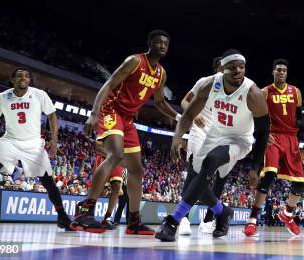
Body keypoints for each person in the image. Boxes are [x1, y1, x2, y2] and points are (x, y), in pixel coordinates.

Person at [73, 30, 181, 234]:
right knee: (115, 155)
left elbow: (159, 102)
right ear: (149, 44)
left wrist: (179, 118)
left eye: (165, 44)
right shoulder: (134, 61)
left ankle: (133, 221)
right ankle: (85, 212)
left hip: (129, 120)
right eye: (158, 42)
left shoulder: (161, 73)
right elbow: (109, 83)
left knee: (137, 170)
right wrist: (94, 113)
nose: (162, 46)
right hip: (111, 110)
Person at [155, 49, 270, 241]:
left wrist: (255, 167)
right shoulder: (210, 84)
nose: (238, 71)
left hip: (239, 139)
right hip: (214, 134)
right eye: (232, 68)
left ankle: (173, 221)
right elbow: (189, 113)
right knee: (195, 181)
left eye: (242, 67)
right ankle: (222, 211)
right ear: (221, 70)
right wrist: (177, 138)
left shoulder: (253, 92)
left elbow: (263, 131)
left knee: (211, 161)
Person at [0, 68, 73, 231]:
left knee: (47, 181)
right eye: (20, 75)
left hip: (33, 143)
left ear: (29, 80)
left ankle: (62, 217)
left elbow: (52, 115)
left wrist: (54, 138)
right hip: (11, 141)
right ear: (12, 79)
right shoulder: (2, 97)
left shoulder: (39, 94)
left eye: (27, 76)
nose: (24, 78)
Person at [243, 58, 304, 237]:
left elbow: (299, 116)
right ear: (273, 72)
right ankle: (252, 220)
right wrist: (264, 132)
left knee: (299, 183)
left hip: (291, 138)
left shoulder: (295, 91)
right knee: (269, 176)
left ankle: (287, 215)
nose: (281, 72)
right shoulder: (265, 92)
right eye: (278, 70)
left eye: (284, 70)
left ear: (287, 73)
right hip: (274, 137)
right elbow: (256, 114)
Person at [178, 56, 223, 235]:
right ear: (216, 68)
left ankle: (208, 221)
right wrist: (194, 115)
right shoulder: (204, 82)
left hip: (218, 135)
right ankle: (182, 218)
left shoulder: (235, 91)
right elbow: (184, 101)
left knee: (211, 178)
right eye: (222, 67)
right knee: (194, 172)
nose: (226, 70)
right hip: (199, 129)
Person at [94, 140, 125, 229]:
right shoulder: (105, 128)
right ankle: (84, 210)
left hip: (118, 159)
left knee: (117, 187)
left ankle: (107, 219)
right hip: (105, 156)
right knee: (102, 191)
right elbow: (97, 148)